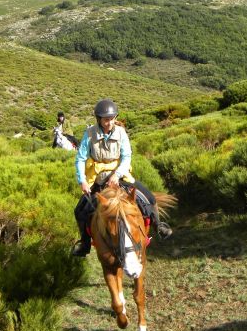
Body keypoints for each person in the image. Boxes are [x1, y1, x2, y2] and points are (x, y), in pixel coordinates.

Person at [71, 99, 172, 257]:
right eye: (106, 119)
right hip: (97, 179)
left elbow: (126, 156)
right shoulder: (89, 134)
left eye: (111, 119)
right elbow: (80, 158)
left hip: (119, 175)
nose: (109, 123)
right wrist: (82, 180)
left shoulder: (121, 132)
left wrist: (117, 175)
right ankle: (84, 243)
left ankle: (159, 225)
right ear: (99, 119)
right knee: (80, 211)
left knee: (149, 197)